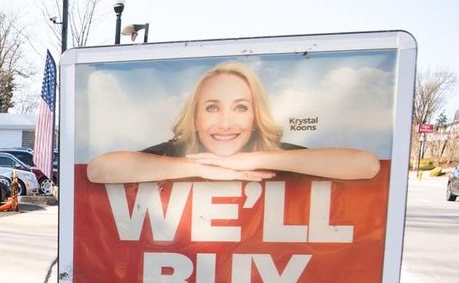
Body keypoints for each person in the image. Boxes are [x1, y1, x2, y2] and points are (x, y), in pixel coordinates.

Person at [86, 61, 381, 184]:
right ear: (196, 117)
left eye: (240, 107)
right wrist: (205, 169)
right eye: (212, 108)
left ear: (255, 117)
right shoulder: (177, 151)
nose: (226, 122)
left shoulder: (274, 154)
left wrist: (249, 161)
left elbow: (367, 165)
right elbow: (99, 169)